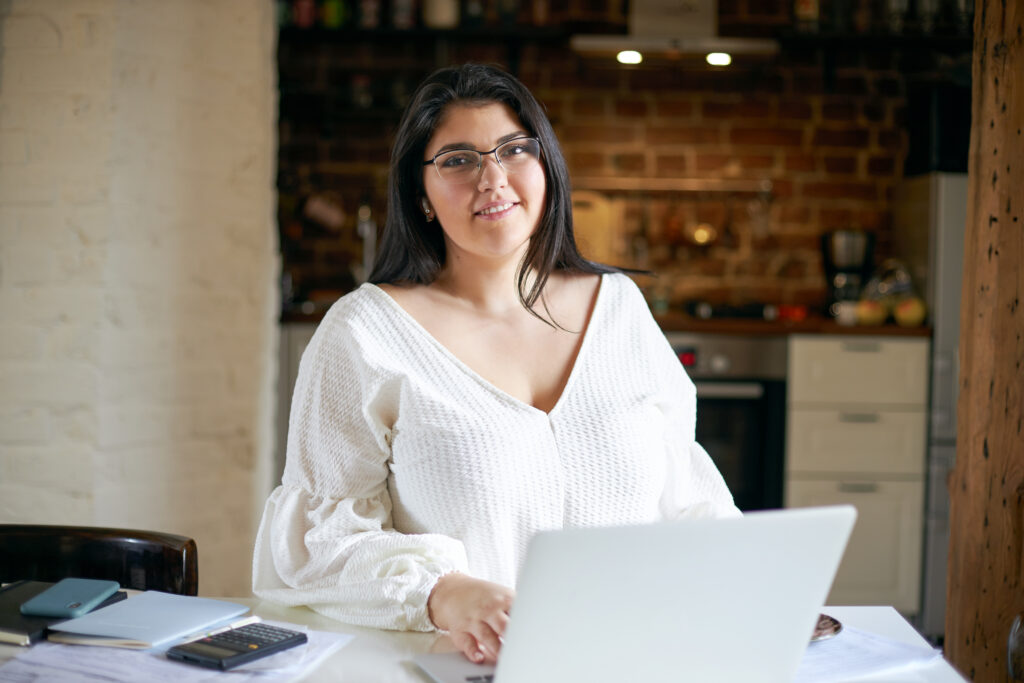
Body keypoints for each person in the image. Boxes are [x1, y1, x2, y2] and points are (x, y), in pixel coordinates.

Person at [252, 62, 740, 666]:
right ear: (420, 196)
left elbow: (688, 500)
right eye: (458, 159)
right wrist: (442, 592)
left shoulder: (618, 308)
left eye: (514, 149)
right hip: (459, 667)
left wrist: (753, 585)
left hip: (631, 659)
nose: (493, 178)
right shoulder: (362, 333)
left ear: (546, 168)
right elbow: (316, 546)